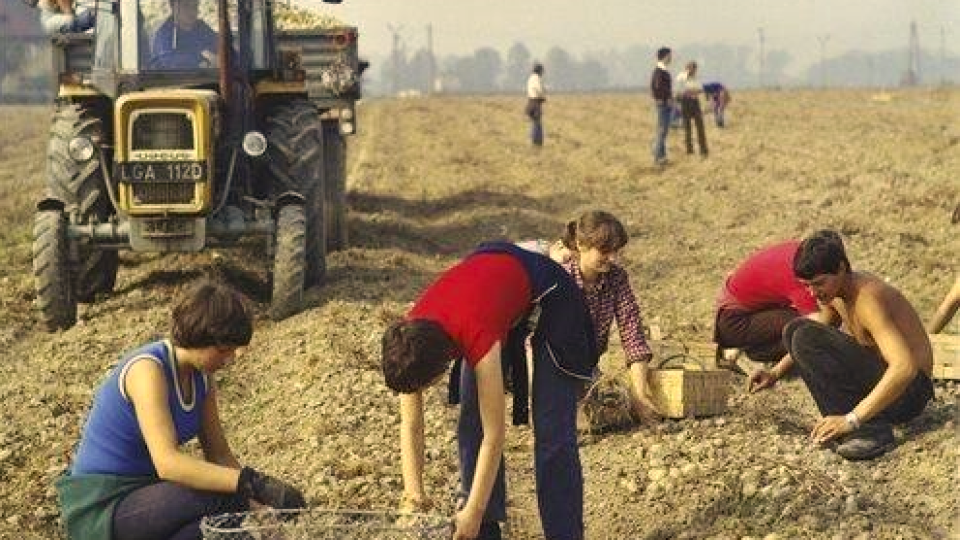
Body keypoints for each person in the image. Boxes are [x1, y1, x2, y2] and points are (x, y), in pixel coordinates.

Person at [55, 280, 306, 540]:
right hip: (106, 503)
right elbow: (168, 464)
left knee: (222, 526)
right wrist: (251, 483)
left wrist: (256, 504)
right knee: (225, 497)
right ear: (199, 336)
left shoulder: (202, 377)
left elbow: (219, 454)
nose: (230, 360)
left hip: (149, 494)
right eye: (223, 350)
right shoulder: (148, 370)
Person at [382, 242, 598, 540]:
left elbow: (495, 434)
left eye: (424, 386)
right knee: (471, 421)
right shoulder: (409, 337)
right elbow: (410, 423)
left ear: (442, 364)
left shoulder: (477, 334)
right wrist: (413, 496)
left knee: (552, 432)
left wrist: (472, 510)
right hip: (490, 288)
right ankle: (484, 530)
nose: (419, 394)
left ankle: (563, 534)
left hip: (550, 293)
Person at [751, 230, 934, 461]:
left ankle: (870, 431)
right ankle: (848, 424)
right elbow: (811, 333)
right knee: (794, 330)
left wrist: (852, 419)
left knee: (805, 335)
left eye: (818, 283)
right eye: (807, 285)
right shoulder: (836, 293)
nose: (813, 292)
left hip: (910, 393)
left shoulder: (868, 298)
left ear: (841, 268)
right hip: (887, 385)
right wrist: (775, 372)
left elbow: (904, 367)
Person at [519, 211, 661, 423]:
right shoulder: (559, 275)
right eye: (604, 251)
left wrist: (639, 395)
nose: (612, 258)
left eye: (616, 251)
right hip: (546, 361)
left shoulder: (617, 279)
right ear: (580, 244)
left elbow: (633, 336)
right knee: (564, 418)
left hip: (585, 364)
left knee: (604, 415)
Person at [714, 240, 819, 379]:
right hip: (734, 323)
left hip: (746, 313)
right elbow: (818, 321)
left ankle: (756, 353)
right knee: (805, 328)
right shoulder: (798, 274)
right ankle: (751, 354)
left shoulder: (801, 253)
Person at [150, 0, 218, 69]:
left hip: (204, 77)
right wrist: (201, 59)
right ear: (173, 7)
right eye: (186, 6)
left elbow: (219, 45)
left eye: (195, 6)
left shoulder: (201, 27)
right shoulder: (164, 35)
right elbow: (169, 62)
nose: (192, 11)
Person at [676, 61, 708, 157]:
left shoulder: (697, 78)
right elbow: (679, 91)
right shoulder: (681, 77)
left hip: (695, 102)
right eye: (691, 68)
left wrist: (690, 91)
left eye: (694, 69)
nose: (693, 71)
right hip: (685, 103)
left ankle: (703, 149)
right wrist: (690, 91)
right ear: (687, 68)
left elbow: (700, 89)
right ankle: (689, 150)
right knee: (687, 128)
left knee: (700, 126)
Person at [650, 47, 673, 167]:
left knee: (663, 131)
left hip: (664, 103)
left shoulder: (661, 70)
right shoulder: (660, 71)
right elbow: (657, 87)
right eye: (669, 56)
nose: (671, 58)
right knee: (662, 131)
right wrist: (665, 98)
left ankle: (662, 156)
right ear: (664, 56)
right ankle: (657, 158)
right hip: (663, 104)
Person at [525, 62, 547, 147]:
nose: (543, 73)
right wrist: (543, 95)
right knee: (537, 123)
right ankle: (536, 142)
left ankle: (535, 142)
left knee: (534, 123)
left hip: (531, 101)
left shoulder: (531, 78)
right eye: (542, 71)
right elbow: (539, 89)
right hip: (535, 102)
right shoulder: (536, 78)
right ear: (539, 70)